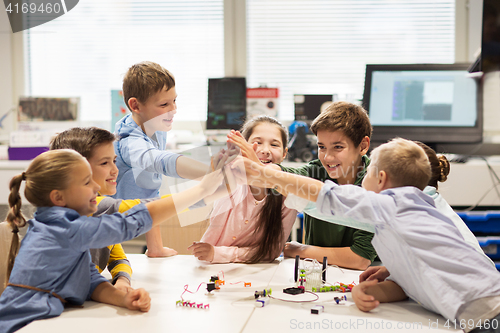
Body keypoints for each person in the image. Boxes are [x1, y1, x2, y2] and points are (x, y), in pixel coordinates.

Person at [239, 138, 500, 332]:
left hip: (487, 312)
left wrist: (264, 173)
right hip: (480, 309)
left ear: (381, 179)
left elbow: (325, 194)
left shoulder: (393, 203)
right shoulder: (415, 211)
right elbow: (420, 273)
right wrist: (384, 281)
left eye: (369, 168)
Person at [0, 149, 226, 333]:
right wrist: (202, 189)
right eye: (87, 182)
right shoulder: (62, 229)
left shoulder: (61, 228)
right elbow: (129, 223)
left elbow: (89, 281)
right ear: (58, 197)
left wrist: (122, 299)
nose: (96, 187)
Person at [228, 101, 377, 270]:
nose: (327, 157)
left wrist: (301, 249)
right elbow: (281, 174)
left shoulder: (376, 184)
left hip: (363, 277)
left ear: (363, 146)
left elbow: (359, 258)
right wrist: (259, 167)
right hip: (317, 271)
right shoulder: (317, 171)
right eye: (322, 147)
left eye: (338, 147)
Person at [114, 61, 210, 258]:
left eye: (174, 101)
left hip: (140, 211)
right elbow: (157, 161)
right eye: (164, 104)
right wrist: (209, 172)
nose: (173, 109)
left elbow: (150, 191)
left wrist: (155, 248)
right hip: (111, 221)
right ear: (135, 105)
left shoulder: (155, 128)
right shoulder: (129, 142)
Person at [189, 116, 297, 263]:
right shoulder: (230, 180)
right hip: (211, 266)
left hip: (257, 269)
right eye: (257, 143)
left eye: (274, 145)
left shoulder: (288, 196)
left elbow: (272, 250)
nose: (265, 150)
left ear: (284, 153)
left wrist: (220, 254)